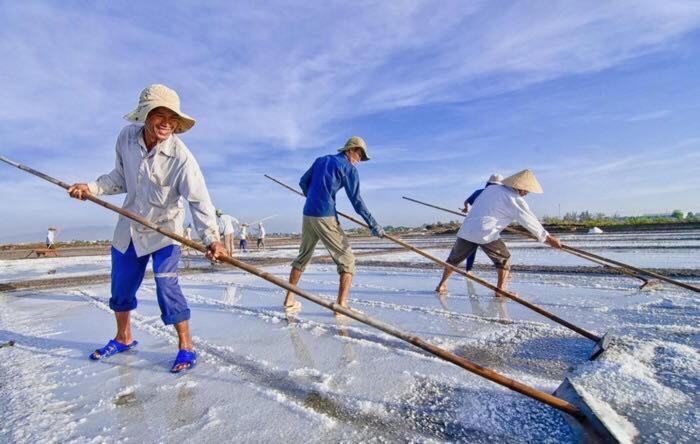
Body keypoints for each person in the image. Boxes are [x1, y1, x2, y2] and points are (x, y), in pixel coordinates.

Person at [67, 84, 225, 373]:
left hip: (164, 231)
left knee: (167, 285)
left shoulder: (182, 158)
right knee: (121, 286)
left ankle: (186, 347)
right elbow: (119, 177)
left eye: (172, 117)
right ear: (145, 115)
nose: (166, 122)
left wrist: (212, 239)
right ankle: (123, 337)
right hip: (129, 226)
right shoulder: (127, 138)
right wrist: (90, 188)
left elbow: (199, 200)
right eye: (159, 114)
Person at [283, 136, 385, 313]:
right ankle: (341, 306)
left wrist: (315, 198)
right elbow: (357, 201)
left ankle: (289, 300)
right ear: (350, 150)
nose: (359, 160)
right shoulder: (349, 169)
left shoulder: (321, 160)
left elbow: (302, 182)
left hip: (308, 214)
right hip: (325, 216)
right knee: (348, 261)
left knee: (302, 257)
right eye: (360, 154)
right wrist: (373, 223)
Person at [435, 169, 562, 297]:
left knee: (453, 260)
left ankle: (441, 285)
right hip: (486, 232)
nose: (527, 193)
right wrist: (548, 239)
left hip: (466, 229)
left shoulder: (490, 190)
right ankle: (500, 290)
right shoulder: (514, 198)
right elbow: (530, 221)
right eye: (527, 190)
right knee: (504, 259)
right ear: (522, 188)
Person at [460, 174, 503, 274]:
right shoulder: (496, 194)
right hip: (488, 226)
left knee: (471, 250)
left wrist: (466, 209)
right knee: (496, 251)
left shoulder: (478, 192)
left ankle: (468, 270)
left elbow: (466, 201)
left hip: (472, 225)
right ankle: (504, 272)